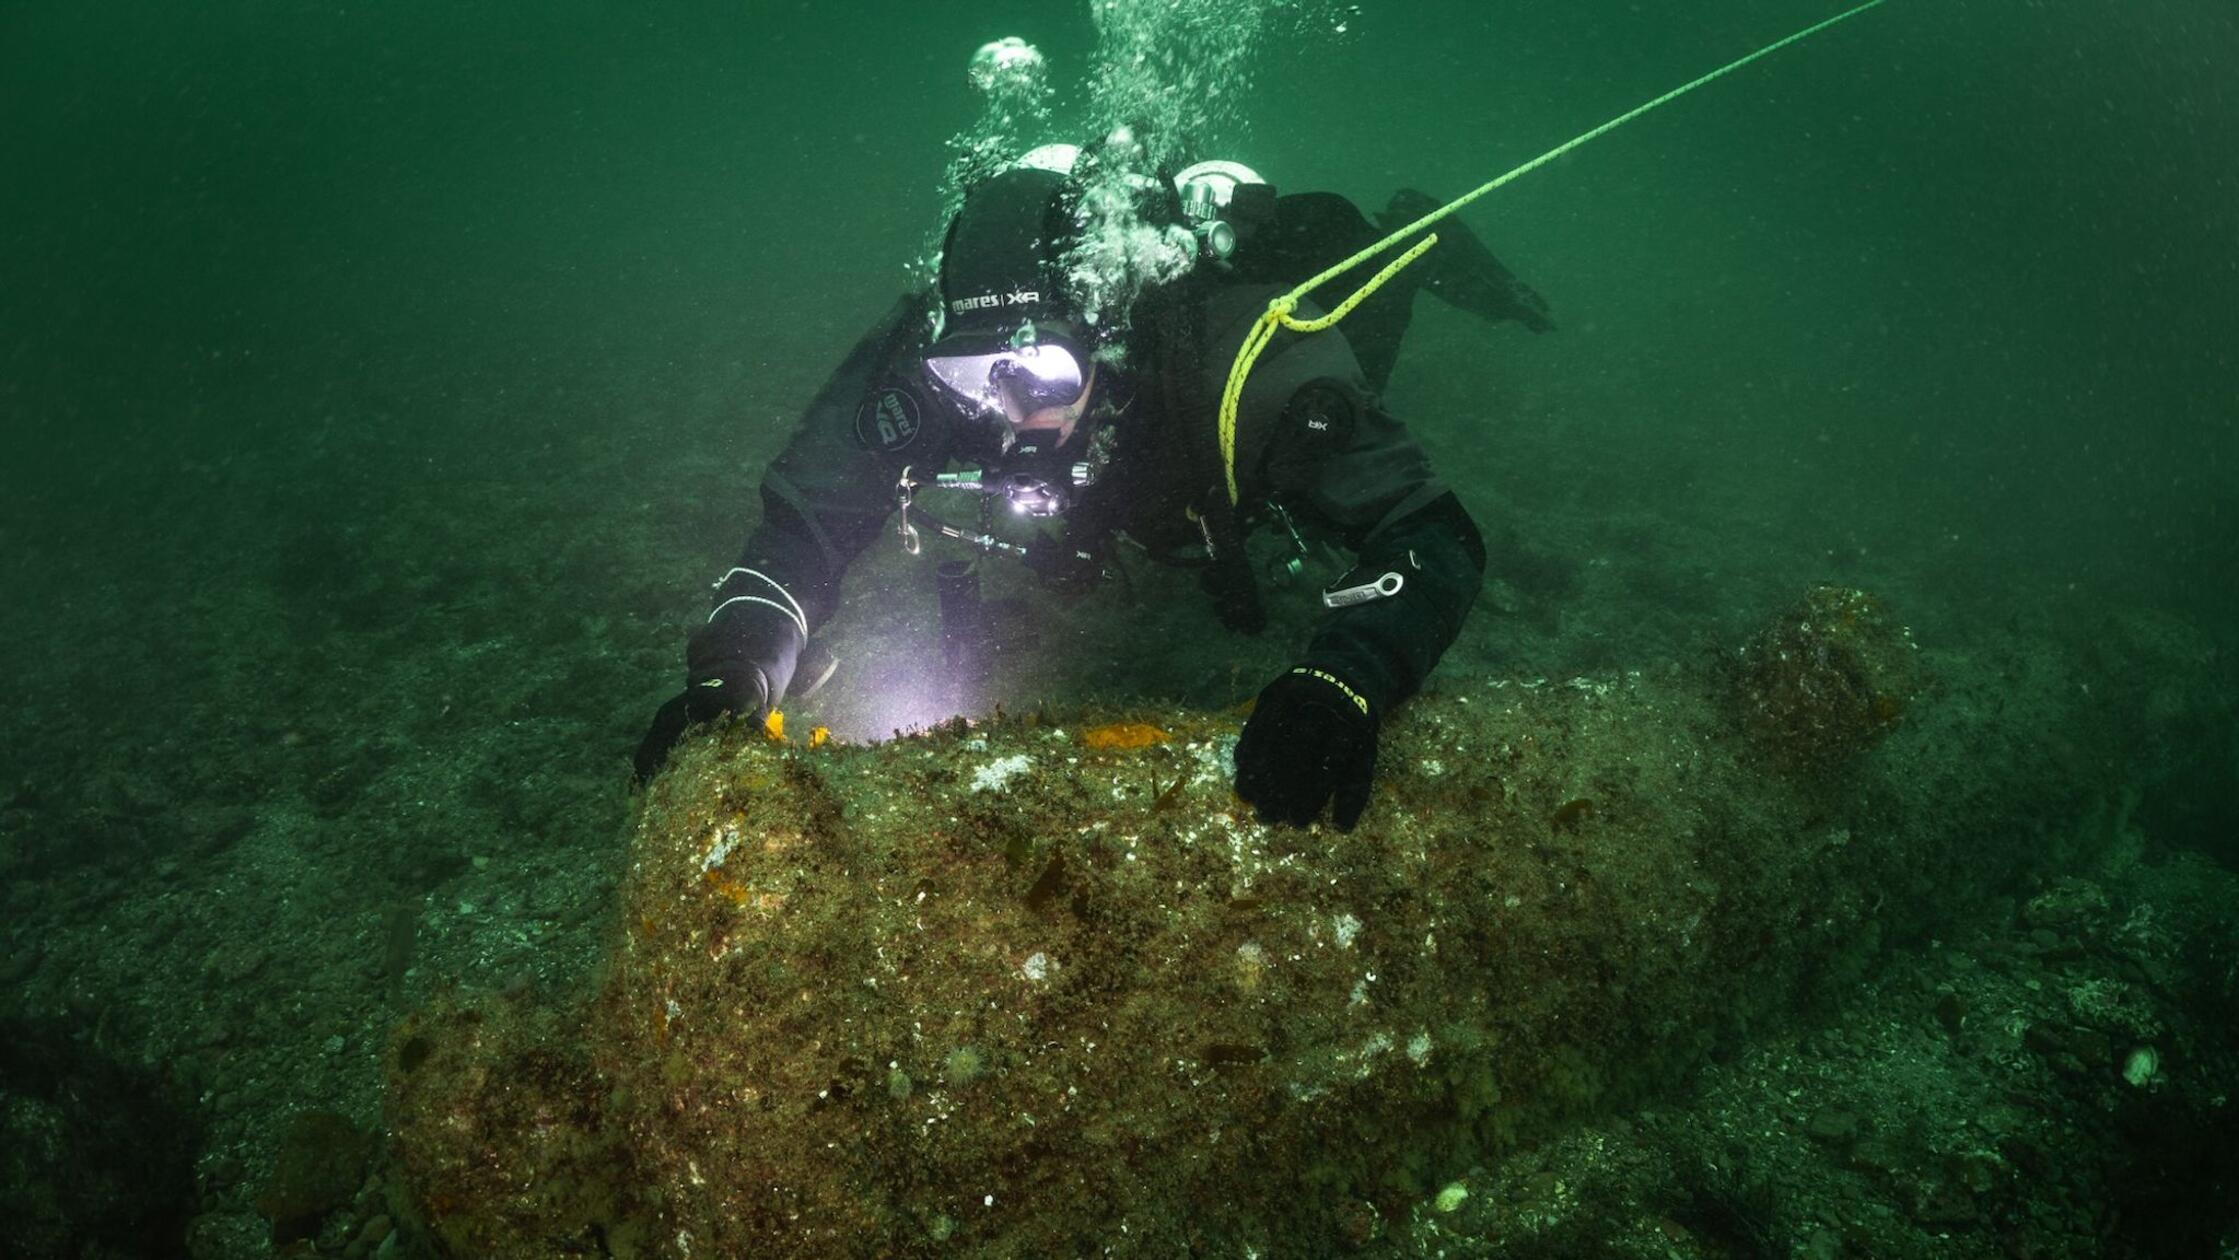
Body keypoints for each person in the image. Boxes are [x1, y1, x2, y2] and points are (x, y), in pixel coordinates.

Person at [634, 145, 1552, 831]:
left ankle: (1412, 232)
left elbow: (1430, 532)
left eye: (1036, 369)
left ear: (1105, 336)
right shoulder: (923, 359)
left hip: (1229, 406)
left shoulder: (1249, 364)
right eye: (975, 371)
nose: (1005, 408)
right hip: (1126, 481)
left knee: (1362, 327)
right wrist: (736, 669)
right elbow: (805, 530)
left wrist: (1347, 679)